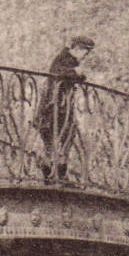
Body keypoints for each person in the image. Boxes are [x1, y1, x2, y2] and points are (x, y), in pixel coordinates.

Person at [36, 35, 94, 182]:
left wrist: (79, 76)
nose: (84, 57)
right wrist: (76, 74)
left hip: (60, 106)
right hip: (54, 107)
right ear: (77, 49)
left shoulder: (68, 59)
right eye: (84, 53)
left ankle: (56, 171)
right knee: (57, 137)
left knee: (63, 137)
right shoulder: (64, 58)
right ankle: (55, 172)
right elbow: (58, 72)